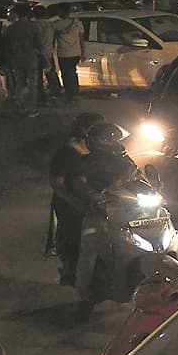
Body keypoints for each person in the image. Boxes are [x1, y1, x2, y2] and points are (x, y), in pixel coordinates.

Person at [48, 113, 103, 285]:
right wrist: (76, 203)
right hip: (70, 204)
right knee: (73, 238)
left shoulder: (101, 151)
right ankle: (69, 273)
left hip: (94, 202)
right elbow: (57, 184)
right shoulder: (67, 152)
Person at [3, 4, 41, 115]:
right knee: (32, 84)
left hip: (17, 59)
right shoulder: (33, 27)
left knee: (20, 82)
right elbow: (38, 44)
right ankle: (31, 108)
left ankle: (19, 105)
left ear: (16, 13)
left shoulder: (11, 28)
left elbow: (7, 46)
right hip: (31, 58)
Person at [31, 5, 59, 104]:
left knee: (37, 79)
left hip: (37, 55)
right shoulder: (51, 25)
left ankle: (40, 99)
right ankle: (56, 96)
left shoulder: (33, 26)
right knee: (52, 76)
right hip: (48, 53)